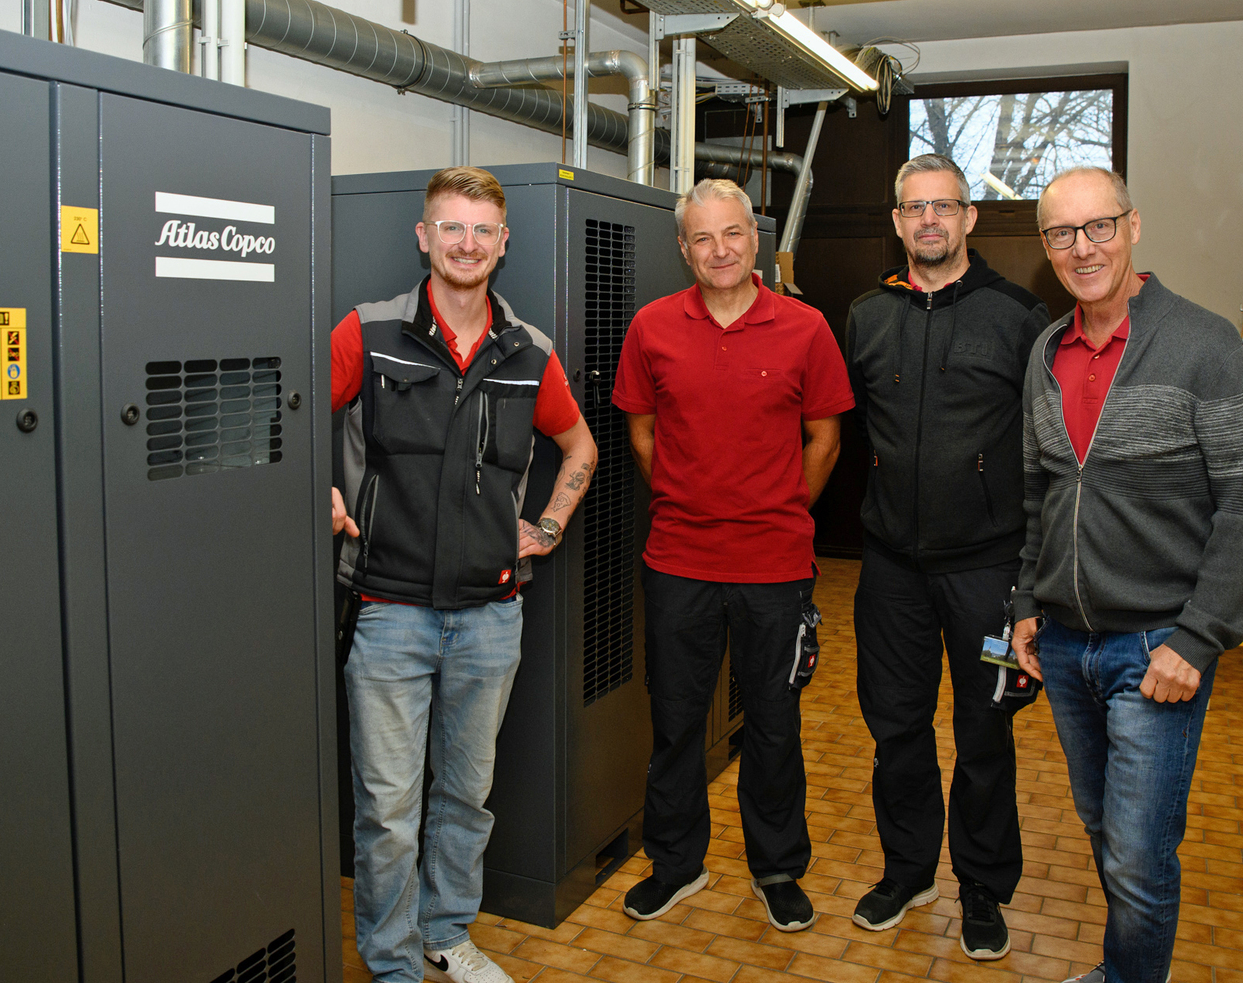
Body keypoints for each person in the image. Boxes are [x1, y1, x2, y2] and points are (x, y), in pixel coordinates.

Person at [1010, 167, 1243, 983]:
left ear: (1133, 227)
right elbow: (1039, 494)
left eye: (1099, 226)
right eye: (1062, 233)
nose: (1082, 248)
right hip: (1066, 645)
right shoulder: (1045, 353)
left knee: (1138, 854)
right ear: (1047, 246)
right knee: (1105, 833)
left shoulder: (1204, 346)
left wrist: (1197, 639)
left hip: (1158, 648)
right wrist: (1025, 603)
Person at [329, 166, 598, 983]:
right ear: (425, 236)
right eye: (452, 227)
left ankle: (446, 934)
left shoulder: (529, 351)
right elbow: (290, 419)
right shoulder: (368, 332)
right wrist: (320, 495)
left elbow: (580, 448)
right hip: (387, 611)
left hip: (490, 614)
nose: (467, 244)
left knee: (464, 798)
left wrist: (546, 527)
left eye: (483, 230)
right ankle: (393, 963)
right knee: (388, 809)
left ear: (503, 243)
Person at [612, 179, 855, 933]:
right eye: (703, 238)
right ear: (684, 249)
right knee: (676, 723)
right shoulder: (652, 326)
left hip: (774, 568)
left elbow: (825, 439)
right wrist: (688, 499)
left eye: (733, 234)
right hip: (678, 560)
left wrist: (778, 511)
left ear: (755, 239)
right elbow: (642, 432)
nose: (720, 250)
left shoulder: (806, 327)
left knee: (774, 725)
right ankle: (675, 865)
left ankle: (777, 869)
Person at [842, 154, 1049, 959]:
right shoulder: (866, 316)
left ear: (969, 217)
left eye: (944, 206)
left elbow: (1045, 451)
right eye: (914, 207)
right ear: (898, 222)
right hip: (892, 568)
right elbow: (855, 429)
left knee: (985, 729)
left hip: (987, 571)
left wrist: (1031, 581)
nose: (929, 219)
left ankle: (983, 888)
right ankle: (908, 870)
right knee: (896, 727)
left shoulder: (1018, 317)